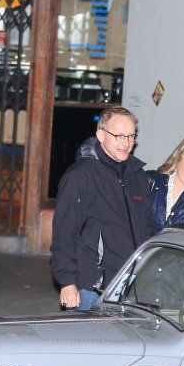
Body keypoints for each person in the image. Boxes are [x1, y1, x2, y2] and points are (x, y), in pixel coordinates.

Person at [51, 106, 153, 311]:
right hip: (92, 288)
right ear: (101, 135)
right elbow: (64, 231)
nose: (126, 143)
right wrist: (67, 282)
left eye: (131, 136)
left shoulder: (137, 175)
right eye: (119, 136)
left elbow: (146, 226)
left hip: (131, 287)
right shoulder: (81, 176)